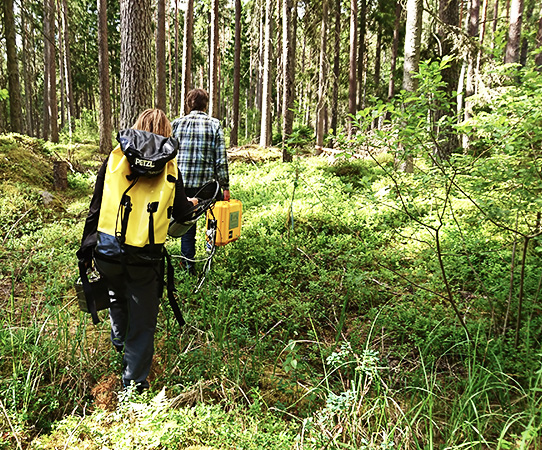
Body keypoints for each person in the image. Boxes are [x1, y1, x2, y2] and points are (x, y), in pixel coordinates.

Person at [77, 109, 196, 392]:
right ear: (167, 133)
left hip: (108, 248)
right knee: (143, 321)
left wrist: (86, 249)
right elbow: (181, 212)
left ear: (137, 127)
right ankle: (134, 385)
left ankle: (120, 343)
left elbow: (97, 205)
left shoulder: (115, 158)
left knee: (116, 292)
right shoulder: (169, 166)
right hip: (145, 255)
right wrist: (191, 204)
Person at [172, 88, 230, 275]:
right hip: (207, 187)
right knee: (212, 221)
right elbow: (220, 159)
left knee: (187, 224)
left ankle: (188, 265)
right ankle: (208, 259)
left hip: (182, 186)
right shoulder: (214, 125)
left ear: (189, 104)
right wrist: (225, 186)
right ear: (206, 104)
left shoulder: (176, 124)